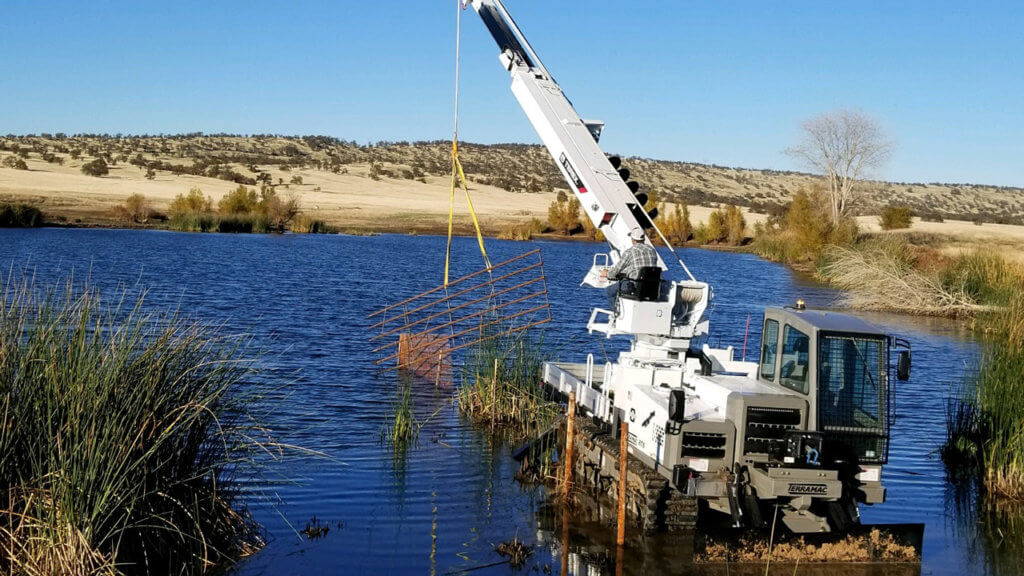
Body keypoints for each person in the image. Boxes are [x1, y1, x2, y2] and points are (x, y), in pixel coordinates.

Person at [602, 227, 659, 309]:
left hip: (635, 287)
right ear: (643, 238)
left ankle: (616, 315)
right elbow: (643, 268)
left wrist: (607, 273)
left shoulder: (630, 252)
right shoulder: (652, 250)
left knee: (609, 291)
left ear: (633, 239)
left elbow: (616, 270)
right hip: (651, 289)